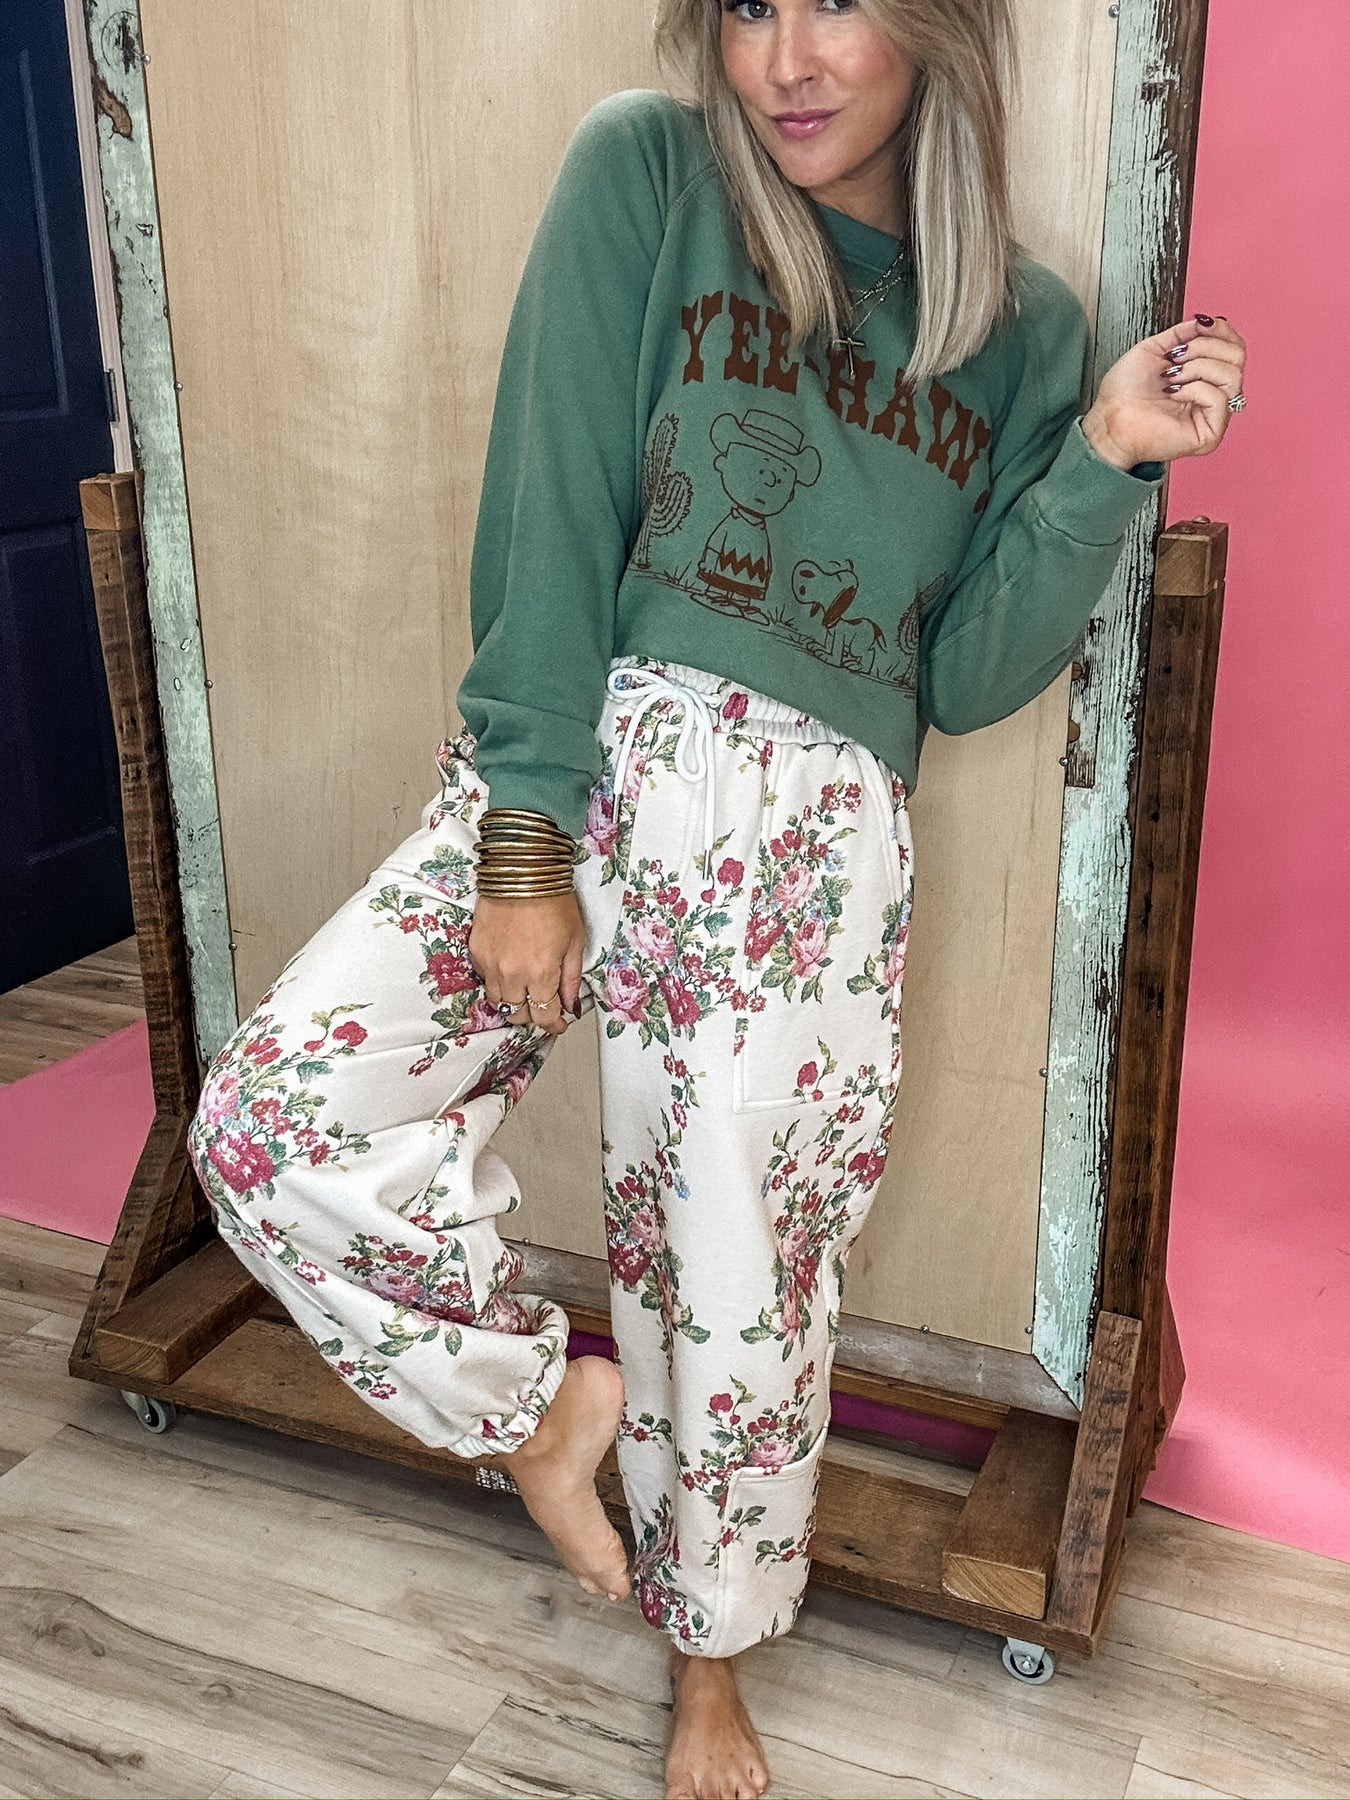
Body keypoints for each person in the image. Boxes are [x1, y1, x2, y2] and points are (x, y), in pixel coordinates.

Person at [187, 0, 1248, 1793]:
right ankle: (542, 1410)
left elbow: (967, 674)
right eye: (746, 7)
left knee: (739, 1285)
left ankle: (710, 1660)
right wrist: (524, 841)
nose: (785, 60)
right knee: (278, 1118)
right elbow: (549, 504)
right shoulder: (651, 174)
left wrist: (1102, 458)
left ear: (935, 27)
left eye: (833, 2)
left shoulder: (1023, 328)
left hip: (813, 842)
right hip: (595, 755)